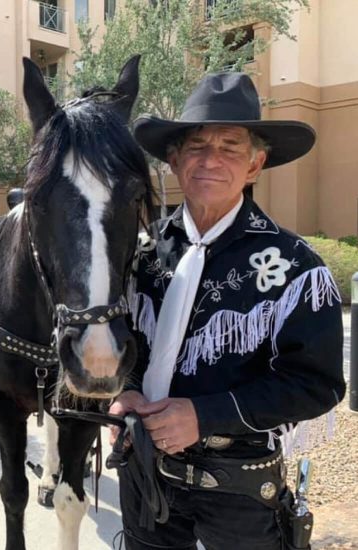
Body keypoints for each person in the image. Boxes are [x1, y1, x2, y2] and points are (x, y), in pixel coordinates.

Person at [110, 72, 346, 549]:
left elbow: (317, 385)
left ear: (256, 165)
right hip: (145, 479)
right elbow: (123, 343)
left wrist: (205, 414)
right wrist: (125, 393)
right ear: (174, 160)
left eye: (230, 146)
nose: (210, 159)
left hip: (238, 491)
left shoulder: (295, 267)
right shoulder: (141, 255)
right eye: (195, 146)